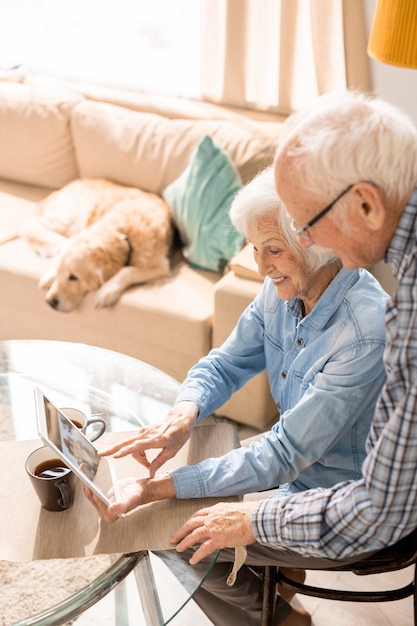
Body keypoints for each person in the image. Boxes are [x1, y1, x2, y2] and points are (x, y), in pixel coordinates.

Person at [86, 164, 388, 625]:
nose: (260, 266)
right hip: (297, 470)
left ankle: (284, 621)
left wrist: (153, 490)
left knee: (167, 532)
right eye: (255, 248)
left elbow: (283, 453)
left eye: (273, 250)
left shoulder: (365, 333)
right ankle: (276, 590)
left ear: (320, 244)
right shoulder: (283, 290)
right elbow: (225, 363)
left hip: (339, 503)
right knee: (176, 506)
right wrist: (183, 414)